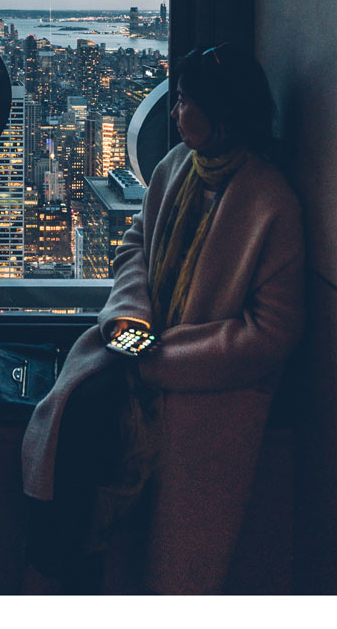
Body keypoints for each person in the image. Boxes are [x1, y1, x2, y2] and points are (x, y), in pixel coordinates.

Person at [23, 45, 304, 592]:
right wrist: (130, 319)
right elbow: (134, 247)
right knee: (74, 433)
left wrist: (161, 360)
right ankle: (63, 580)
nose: (174, 114)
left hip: (209, 400)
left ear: (220, 112)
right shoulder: (176, 167)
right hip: (140, 354)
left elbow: (271, 335)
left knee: (171, 565)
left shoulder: (273, 204)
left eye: (183, 101)